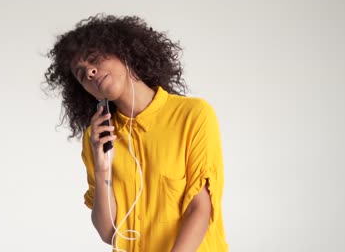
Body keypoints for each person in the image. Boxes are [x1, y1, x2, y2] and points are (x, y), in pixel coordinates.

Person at [44, 14, 228, 252]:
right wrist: (102, 169)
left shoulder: (192, 115)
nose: (89, 72)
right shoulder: (98, 139)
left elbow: (200, 209)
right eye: (81, 74)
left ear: (124, 52)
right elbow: (109, 233)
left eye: (94, 60)